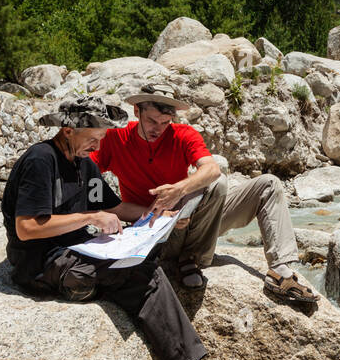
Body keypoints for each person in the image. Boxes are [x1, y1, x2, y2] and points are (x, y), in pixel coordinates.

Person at [1, 95, 250, 360]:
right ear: (67, 131)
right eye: (91, 137)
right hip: (42, 261)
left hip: (79, 250)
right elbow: (27, 228)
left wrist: (158, 214)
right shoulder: (41, 159)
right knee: (137, 273)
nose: (97, 144)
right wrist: (90, 219)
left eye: (101, 137)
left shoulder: (85, 163)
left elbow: (114, 206)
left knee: (142, 264)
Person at [92, 82, 320, 307]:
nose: (158, 129)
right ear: (137, 111)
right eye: (151, 120)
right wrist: (156, 214)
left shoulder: (182, 135)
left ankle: (280, 272)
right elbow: (86, 181)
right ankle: (188, 260)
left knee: (265, 184)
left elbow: (212, 169)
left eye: (165, 122)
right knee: (212, 185)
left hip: (195, 222)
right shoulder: (115, 139)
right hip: (154, 233)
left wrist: (178, 190)